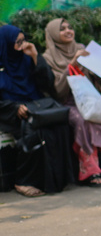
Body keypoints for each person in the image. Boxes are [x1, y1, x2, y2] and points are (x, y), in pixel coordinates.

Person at [42, 18, 101, 187]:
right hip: (68, 103)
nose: (68, 31)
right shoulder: (48, 58)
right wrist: (72, 64)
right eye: (62, 29)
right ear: (53, 34)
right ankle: (91, 170)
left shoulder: (82, 49)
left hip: (91, 100)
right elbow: (57, 90)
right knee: (84, 122)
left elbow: (97, 78)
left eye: (70, 27)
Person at [0, 25, 75, 197]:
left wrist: (35, 56)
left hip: (37, 107)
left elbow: (47, 84)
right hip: (10, 112)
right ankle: (23, 181)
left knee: (59, 126)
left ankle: (56, 180)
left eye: (24, 40)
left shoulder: (26, 59)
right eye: (17, 42)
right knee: (35, 132)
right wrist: (14, 107)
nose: (23, 45)